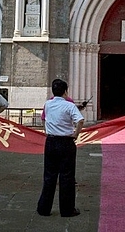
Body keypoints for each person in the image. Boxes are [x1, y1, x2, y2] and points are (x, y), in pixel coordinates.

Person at [37, 79, 84, 218]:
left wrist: (48, 131)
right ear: (65, 91)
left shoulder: (48, 104)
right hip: (66, 142)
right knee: (67, 176)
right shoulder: (69, 105)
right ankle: (67, 209)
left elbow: (43, 119)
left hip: (51, 141)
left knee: (49, 176)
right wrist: (75, 134)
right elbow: (80, 120)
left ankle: (44, 208)